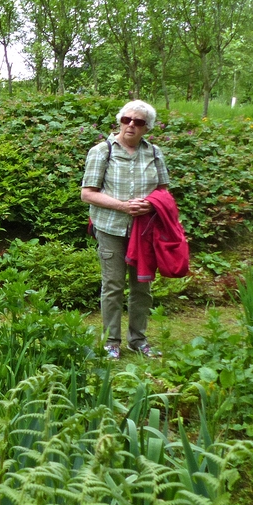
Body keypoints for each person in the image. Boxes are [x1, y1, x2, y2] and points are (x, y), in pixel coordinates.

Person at [81, 100, 170, 360]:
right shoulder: (101, 151)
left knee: (142, 287)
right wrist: (123, 206)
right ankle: (111, 342)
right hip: (110, 229)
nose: (131, 125)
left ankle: (138, 340)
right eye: (126, 119)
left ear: (147, 128)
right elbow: (87, 194)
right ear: (119, 121)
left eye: (139, 122)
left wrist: (151, 205)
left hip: (144, 231)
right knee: (113, 285)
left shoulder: (154, 153)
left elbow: (164, 191)